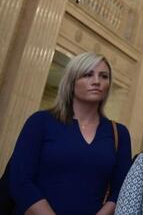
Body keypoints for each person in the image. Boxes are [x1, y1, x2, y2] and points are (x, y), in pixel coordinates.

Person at [8, 52, 132, 215]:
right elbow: (20, 180)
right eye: (88, 75)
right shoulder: (41, 122)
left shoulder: (119, 133)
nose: (97, 82)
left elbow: (122, 189)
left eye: (104, 76)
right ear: (71, 81)